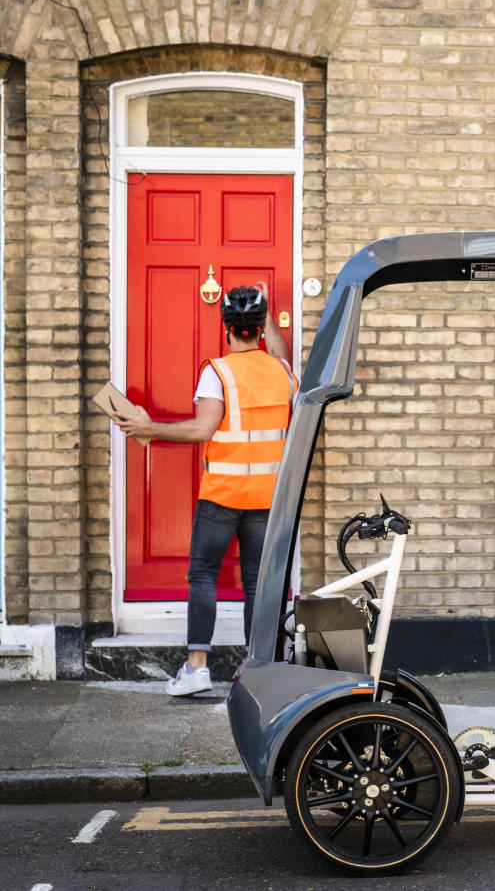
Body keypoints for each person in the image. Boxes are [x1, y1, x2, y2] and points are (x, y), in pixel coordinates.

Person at [117, 286, 298, 696]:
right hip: (267, 496)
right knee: (256, 584)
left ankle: (197, 669)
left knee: (203, 576)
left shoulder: (218, 372)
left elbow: (202, 429)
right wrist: (267, 317)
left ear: (227, 329)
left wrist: (150, 429)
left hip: (222, 494)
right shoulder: (283, 372)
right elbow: (280, 352)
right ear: (261, 327)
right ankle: (257, 671)